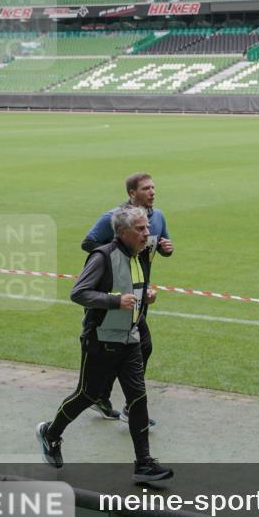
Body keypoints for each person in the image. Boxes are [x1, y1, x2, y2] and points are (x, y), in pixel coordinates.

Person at [36, 205, 172, 484]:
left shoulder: (139, 255)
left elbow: (128, 286)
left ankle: (144, 463)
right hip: (101, 341)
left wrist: (143, 294)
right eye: (141, 229)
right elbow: (79, 293)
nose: (148, 233)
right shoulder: (102, 257)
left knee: (138, 398)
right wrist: (114, 300)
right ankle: (50, 433)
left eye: (148, 227)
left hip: (130, 339)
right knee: (87, 394)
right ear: (122, 232)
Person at [81, 172, 172, 425]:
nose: (152, 192)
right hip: (118, 296)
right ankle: (122, 404)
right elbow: (88, 243)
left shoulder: (159, 217)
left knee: (134, 348)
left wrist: (166, 249)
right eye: (146, 188)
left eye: (154, 187)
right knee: (135, 347)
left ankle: (102, 397)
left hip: (140, 295)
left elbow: (161, 244)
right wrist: (117, 252)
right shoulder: (113, 218)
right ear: (132, 194)